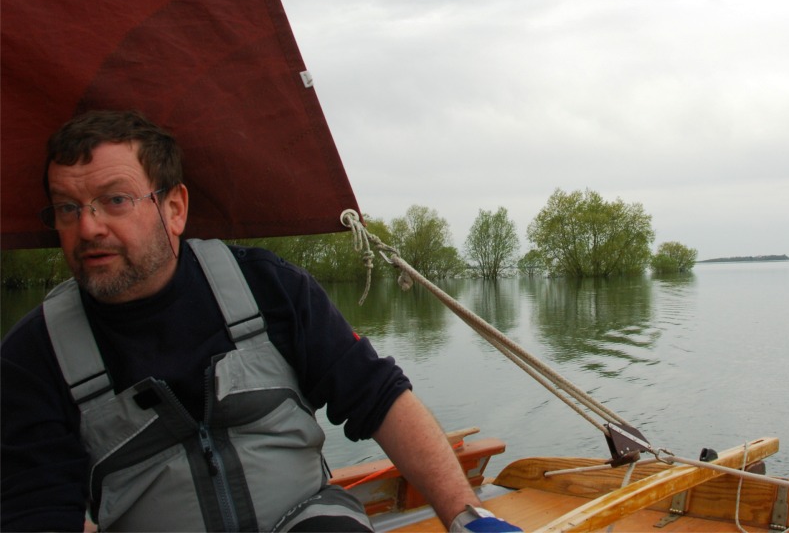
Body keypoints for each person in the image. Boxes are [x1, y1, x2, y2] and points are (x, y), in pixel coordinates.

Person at [1, 110, 520, 533]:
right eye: (67, 209)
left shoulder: (270, 288)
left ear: (174, 208)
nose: (88, 227)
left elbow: (381, 400)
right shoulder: (34, 355)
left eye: (114, 200)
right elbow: (36, 511)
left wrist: (465, 516)